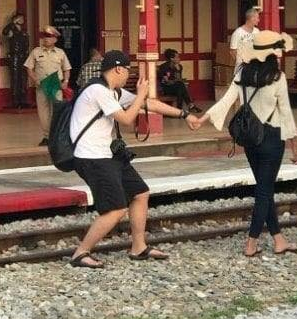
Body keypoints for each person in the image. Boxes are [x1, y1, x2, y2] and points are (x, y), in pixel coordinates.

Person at [69, 50, 200, 269]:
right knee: (116, 209)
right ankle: (80, 253)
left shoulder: (114, 91)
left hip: (107, 154)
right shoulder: (97, 91)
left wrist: (184, 115)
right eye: (128, 71)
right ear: (118, 69)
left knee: (140, 193)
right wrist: (140, 95)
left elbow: (150, 104)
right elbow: (128, 119)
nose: (128, 76)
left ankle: (138, 247)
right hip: (92, 157)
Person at [196, 31, 297, 257]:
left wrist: (203, 118)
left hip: (250, 139)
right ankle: (251, 243)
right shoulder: (277, 77)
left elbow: (226, 100)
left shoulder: (242, 73)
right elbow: (285, 112)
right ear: (272, 54)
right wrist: (294, 144)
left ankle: (278, 239)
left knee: (265, 189)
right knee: (264, 191)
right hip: (272, 138)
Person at [24, 26, 72, 147]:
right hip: (42, 86)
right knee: (43, 112)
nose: (46, 39)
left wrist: (66, 81)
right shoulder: (36, 52)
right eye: (45, 36)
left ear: (55, 39)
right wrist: (35, 79)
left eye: (49, 37)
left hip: (56, 86)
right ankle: (47, 136)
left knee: (57, 110)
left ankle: (57, 136)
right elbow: (29, 68)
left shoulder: (60, 53)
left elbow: (66, 69)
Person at [157, 48, 202, 113]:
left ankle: (180, 109)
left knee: (180, 87)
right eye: (177, 57)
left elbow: (178, 79)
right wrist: (175, 81)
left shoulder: (179, 66)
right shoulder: (164, 67)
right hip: (166, 88)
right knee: (180, 86)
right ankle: (189, 106)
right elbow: (166, 81)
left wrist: (177, 70)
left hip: (176, 87)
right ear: (172, 59)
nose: (179, 59)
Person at [1, 11, 30, 108]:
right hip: (15, 56)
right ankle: (15, 101)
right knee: (15, 78)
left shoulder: (23, 30)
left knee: (23, 78)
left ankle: (23, 100)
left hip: (23, 56)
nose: (22, 20)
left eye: (22, 18)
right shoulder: (11, 29)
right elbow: (4, 32)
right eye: (20, 18)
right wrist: (12, 23)